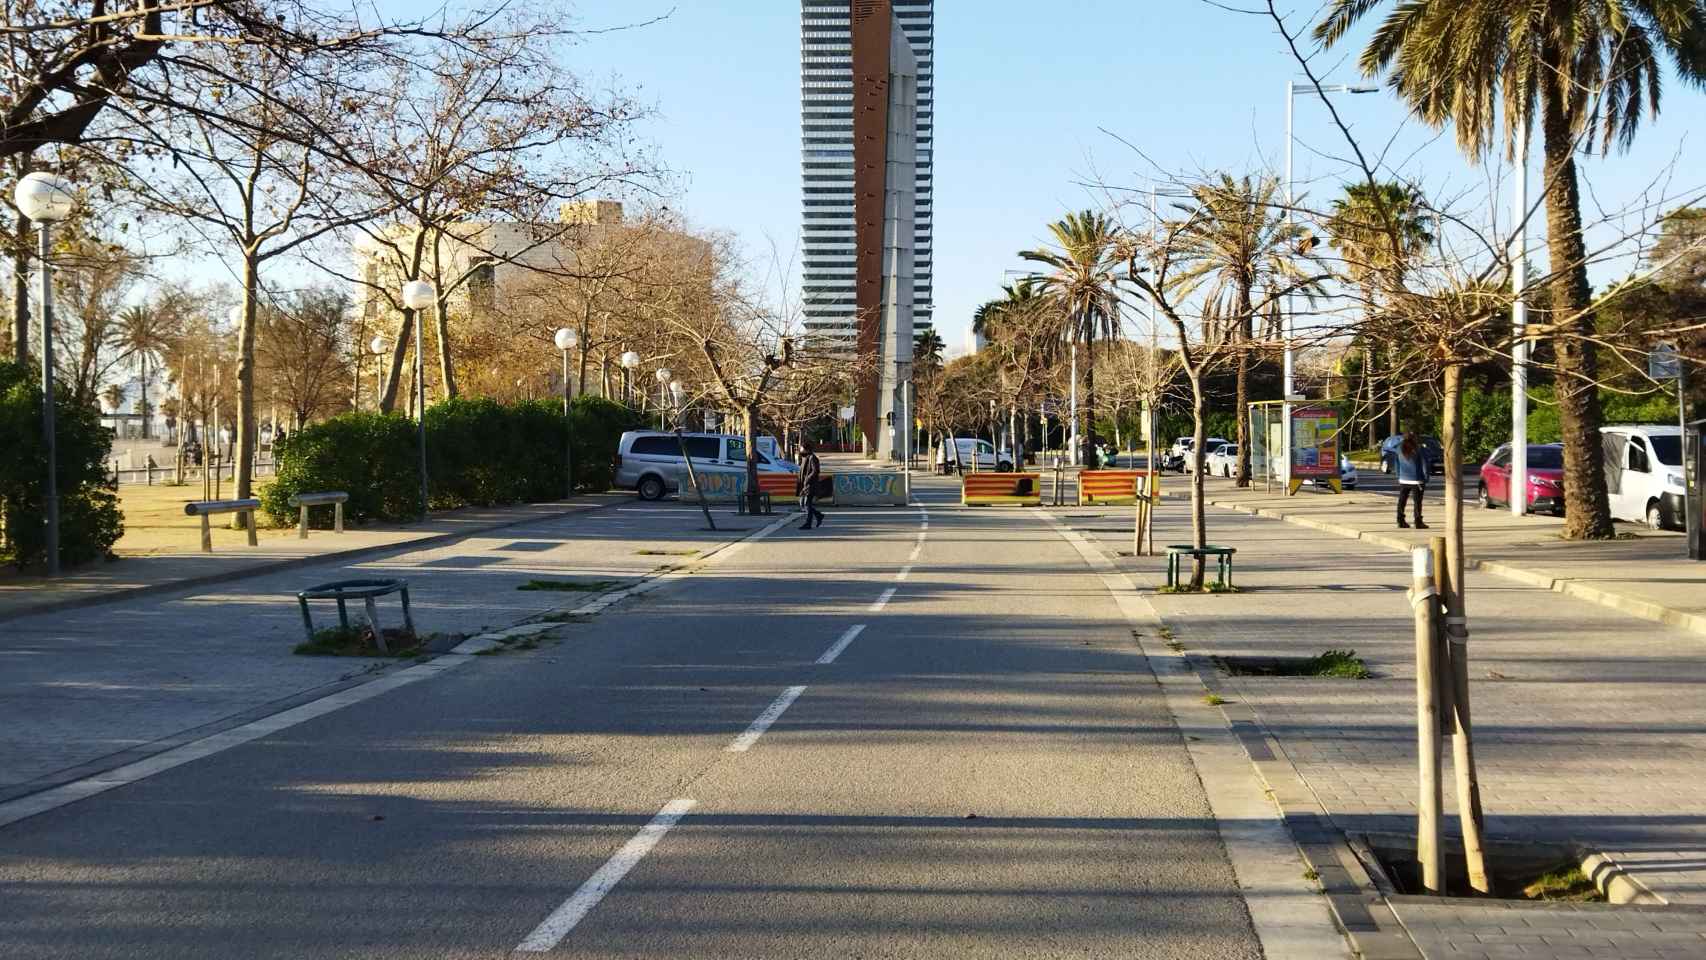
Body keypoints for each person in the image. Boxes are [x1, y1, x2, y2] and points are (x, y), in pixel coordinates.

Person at [1396, 431, 1430, 529]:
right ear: (1414, 438)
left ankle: (1400, 520)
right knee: (1417, 502)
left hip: (1403, 479)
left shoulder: (1399, 448)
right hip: (1417, 480)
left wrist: (1399, 475)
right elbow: (1424, 464)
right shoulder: (1419, 448)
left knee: (1402, 500)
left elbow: (1396, 463)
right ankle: (1418, 521)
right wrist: (1426, 477)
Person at [798, 441, 826, 529]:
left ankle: (808, 523)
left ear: (806, 449)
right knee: (802, 503)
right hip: (805, 485)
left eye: (801, 448)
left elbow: (815, 471)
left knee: (806, 503)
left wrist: (807, 479)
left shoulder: (812, 458)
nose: (800, 450)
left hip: (811, 485)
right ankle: (818, 515)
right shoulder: (806, 457)